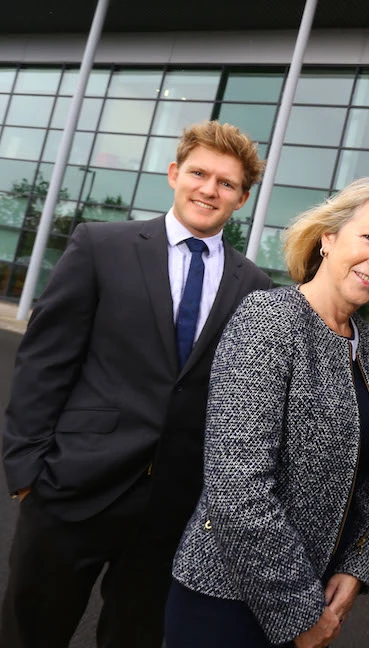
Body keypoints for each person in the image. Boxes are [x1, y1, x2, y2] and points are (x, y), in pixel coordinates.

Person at [0, 120, 273, 647]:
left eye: (226, 183)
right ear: (174, 174)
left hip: (172, 508)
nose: (208, 189)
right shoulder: (102, 245)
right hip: (71, 486)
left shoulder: (255, 288)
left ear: (241, 198)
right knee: (29, 633)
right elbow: (44, 361)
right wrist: (27, 469)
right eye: (199, 173)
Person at [165, 177, 369, 648]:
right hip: (228, 602)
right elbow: (237, 490)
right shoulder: (268, 319)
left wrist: (354, 565)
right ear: (328, 239)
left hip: (316, 592)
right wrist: (300, 613)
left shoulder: (368, 346)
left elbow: (366, 477)